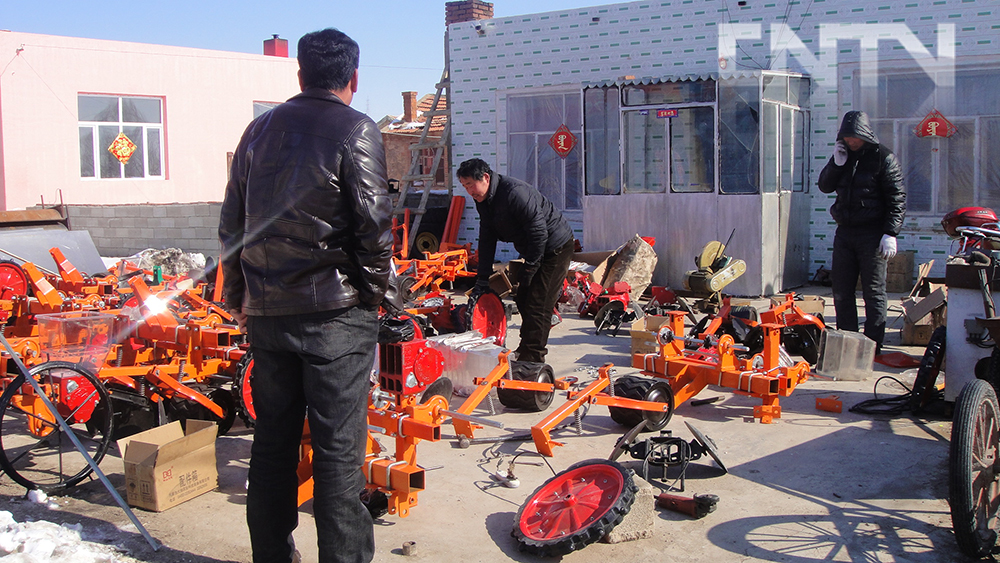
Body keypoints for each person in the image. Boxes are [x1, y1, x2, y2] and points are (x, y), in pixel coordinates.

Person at [218, 28, 392, 563]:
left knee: (272, 446)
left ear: (300, 74)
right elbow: (374, 227)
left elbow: (231, 224)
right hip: (334, 318)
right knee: (338, 456)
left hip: (269, 316)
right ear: (354, 77)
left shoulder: (257, 130)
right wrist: (373, 298)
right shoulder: (356, 128)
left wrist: (240, 298)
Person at [457, 158, 574, 364]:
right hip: (533, 247)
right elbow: (487, 237)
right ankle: (532, 338)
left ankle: (532, 357)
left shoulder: (514, 193)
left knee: (538, 301)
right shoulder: (483, 199)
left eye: (471, 185)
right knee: (522, 295)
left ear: (485, 178)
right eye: (465, 186)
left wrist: (531, 267)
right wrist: (482, 279)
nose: (469, 191)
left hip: (555, 247)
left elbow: (539, 232)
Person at [818, 110, 905, 353]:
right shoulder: (842, 155)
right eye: (847, 137)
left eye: (855, 137)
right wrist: (836, 164)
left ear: (865, 134)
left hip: (873, 233)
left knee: (873, 291)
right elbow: (825, 186)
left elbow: (897, 197)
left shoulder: (883, 158)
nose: (851, 141)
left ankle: (872, 346)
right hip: (845, 232)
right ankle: (848, 343)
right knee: (841, 291)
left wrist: (890, 232)